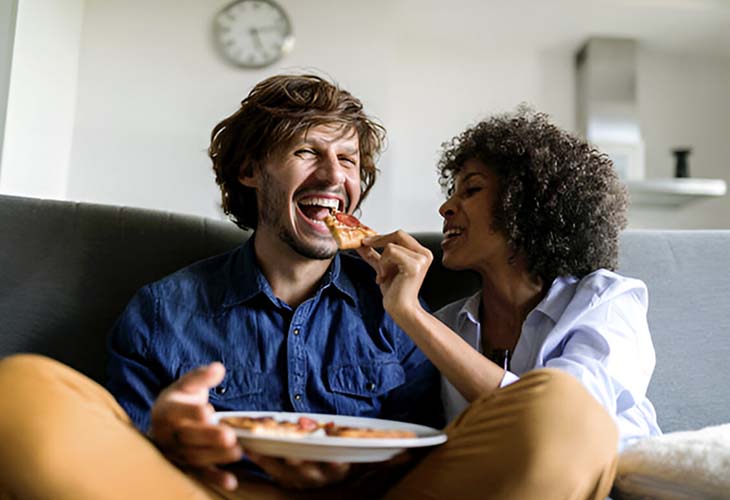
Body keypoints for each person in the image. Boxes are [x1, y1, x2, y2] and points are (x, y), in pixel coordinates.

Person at [0, 80, 618, 500]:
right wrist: (166, 435)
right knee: (21, 390)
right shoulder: (165, 309)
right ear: (250, 172)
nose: (333, 176)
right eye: (305, 151)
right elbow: (116, 456)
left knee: (567, 413)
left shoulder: (399, 308)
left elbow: (434, 453)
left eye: (349, 162)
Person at [357, 106, 662, 495]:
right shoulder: (449, 324)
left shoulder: (606, 300)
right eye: (451, 193)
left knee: (560, 398)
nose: (446, 208)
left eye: (471, 190)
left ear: (525, 204)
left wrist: (413, 315)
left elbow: (565, 420)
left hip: (596, 487)